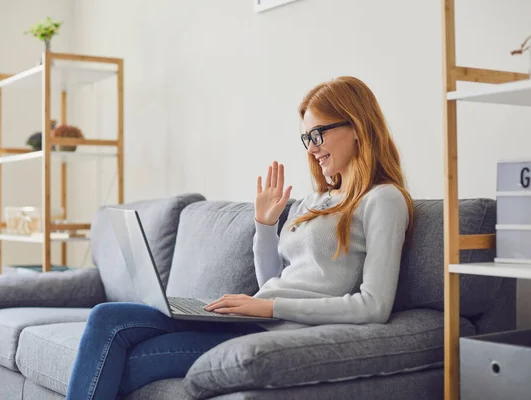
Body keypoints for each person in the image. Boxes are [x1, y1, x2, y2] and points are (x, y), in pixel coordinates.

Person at [65, 76, 414, 400]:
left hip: (272, 333)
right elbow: (271, 281)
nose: (311, 149)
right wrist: (265, 225)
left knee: (120, 363)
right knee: (106, 317)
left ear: (357, 127)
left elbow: (374, 306)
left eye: (318, 134)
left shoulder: (382, 200)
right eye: (307, 138)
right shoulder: (314, 199)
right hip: (250, 319)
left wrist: (270, 306)